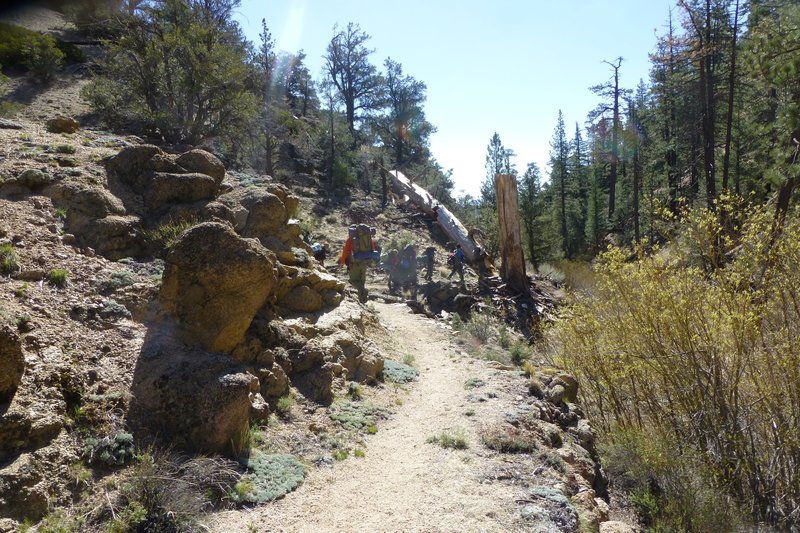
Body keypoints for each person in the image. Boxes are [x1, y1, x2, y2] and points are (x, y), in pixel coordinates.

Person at [338, 224, 378, 303]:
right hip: (365, 263)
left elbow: (345, 252)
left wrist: (342, 262)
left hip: (354, 264)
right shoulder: (369, 238)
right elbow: (372, 250)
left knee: (353, 281)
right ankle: (362, 300)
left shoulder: (350, 240)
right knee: (361, 282)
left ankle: (363, 291)